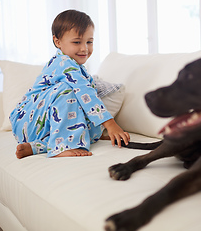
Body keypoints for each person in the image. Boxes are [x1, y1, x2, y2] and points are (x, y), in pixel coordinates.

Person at [10, 9, 130, 159]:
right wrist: (110, 124)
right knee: (70, 90)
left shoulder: (79, 69)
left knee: (80, 100)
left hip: (41, 128)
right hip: (27, 120)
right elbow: (86, 93)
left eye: (89, 42)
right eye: (77, 42)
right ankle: (61, 147)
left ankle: (36, 147)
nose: (84, 48)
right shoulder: (63, 62)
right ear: (57, 41)